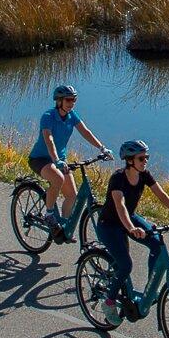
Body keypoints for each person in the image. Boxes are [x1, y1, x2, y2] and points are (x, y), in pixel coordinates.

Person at [97, 139, 169, 320]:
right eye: (141, 158)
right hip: (110, 225)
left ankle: (150, 289)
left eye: (146, 157)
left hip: (129, 219)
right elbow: (120, 206)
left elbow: (161, 195)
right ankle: (109, 301)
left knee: (156, 244)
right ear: (130, 160)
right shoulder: (118, 178)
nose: (145, 160)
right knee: (125, 265)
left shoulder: (144, 175)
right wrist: (131, 228)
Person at [29, 84, 108, 242]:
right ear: (59, 101)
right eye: (69, 100)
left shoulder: (72, 116)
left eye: (74, 100)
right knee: (58, 178)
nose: (72, 103)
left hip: (60, 160)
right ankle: (49, 214)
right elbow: (49, 139)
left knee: (72, 195)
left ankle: (63, 228)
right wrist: (56, 159)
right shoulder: (48, 116)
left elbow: (85, 132)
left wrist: (102, 148)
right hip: (40, 159)